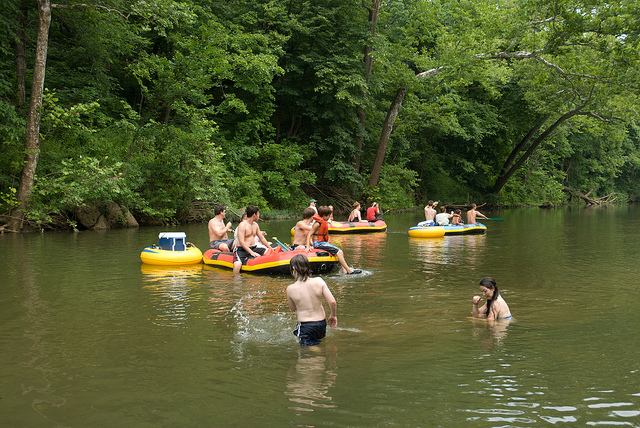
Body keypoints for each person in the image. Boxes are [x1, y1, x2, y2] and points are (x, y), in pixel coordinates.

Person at [286, 254, 337, 346]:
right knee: (319, 343)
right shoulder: (319, 281)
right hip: (321, 323)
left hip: (306, 325)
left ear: (293, 269)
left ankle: (320, 352)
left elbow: (293, 308)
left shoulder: (290, 289)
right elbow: (332, 301)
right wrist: (333, 316)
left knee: (307, 351)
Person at [308, 205, 362, 275]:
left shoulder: (322, 223)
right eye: (328, 216)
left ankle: (344, 270)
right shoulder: (317, 224)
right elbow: (309, 234)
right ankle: (349, 270)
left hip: (322, 243)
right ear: (324, 216)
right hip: (318, 244)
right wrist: (308, 246)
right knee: (339, 252)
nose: (329, 218)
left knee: (341, 252)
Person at [233, 205, 272, 273]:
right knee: (237, 265)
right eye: (258, 214)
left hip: (253, 247)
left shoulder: (255, 225)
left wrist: (270, 248)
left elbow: (262, 238)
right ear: (254, 214)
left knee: (268, 253)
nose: (259, 216)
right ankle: (236, 282)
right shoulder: (242, 225)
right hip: (242, 250)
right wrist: (251, 253)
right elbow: (241, 242)